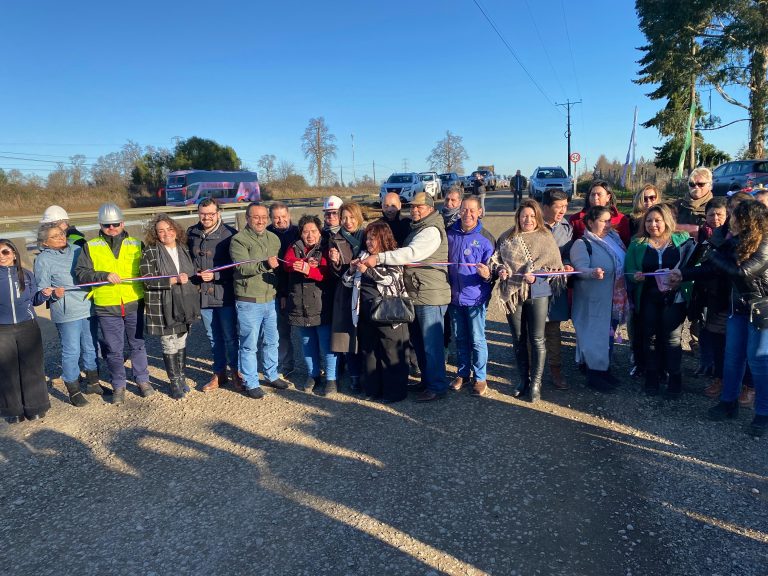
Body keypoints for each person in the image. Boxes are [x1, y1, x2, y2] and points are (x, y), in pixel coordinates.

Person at [671, 200, 768, 437]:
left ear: (748, 219)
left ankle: (763, 413)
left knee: (758, 360)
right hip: (738, 307)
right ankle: (728, 403)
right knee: (732, 357)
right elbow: (713, 268)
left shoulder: (765, 242)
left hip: (762, 309)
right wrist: (683, 273)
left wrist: (713, 255)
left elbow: (743, 272)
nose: (731, 217)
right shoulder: (736, 240)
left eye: (736, 214)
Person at [359, 192, 451, 402]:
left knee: (431, 344)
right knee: (419, 343)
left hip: (431, 295)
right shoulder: (417, 227)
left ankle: (437, 386)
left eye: (420, 207)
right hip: (418, 293)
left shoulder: (431, 231)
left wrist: (379, 257)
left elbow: (411, 254)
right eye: (413, 207)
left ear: (430, 208)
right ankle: (427, 381)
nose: (415, 210)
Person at [490, 199, 567, 402]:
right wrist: (500, 270)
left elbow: (555, 267)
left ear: (538, 217)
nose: (528, 219)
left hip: (538, 292)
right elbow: (496, 260)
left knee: (537, 338)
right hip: (513, 293)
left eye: (532, 216)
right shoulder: (506, 237)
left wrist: (538, 274)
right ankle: (523, 380)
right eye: (524, 216)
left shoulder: (545, 236)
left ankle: (536, 384)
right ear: (518, 217)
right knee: (518, 338)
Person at [75, 203, 151, 405]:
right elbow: (81, 273)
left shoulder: (136, 244)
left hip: (133, 301)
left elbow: (148, 271)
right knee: (114, 349)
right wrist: (103, 275)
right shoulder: (90, 246)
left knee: (138, 344)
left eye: (115, 224)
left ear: (122, 222)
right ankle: (119, 385)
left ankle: (142, 380)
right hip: (107, 305)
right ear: (101, 224)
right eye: (107, 225)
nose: (112, 228)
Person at [625, 204, 694, 398]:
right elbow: (629, 270)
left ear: (666, 221)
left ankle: (674, 377)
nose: (653, 224)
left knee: (672, 339)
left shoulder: (681, 240)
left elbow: (692, 265)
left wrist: (682, 277)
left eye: (657, 220)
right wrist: (635, 276)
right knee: (651, 339)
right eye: (648, 221)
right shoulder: (637, 243)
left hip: (674, 297)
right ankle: (652, 376)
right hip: (649, 297)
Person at [343, 221, 409, 403]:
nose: (370, 243)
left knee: (391, 353)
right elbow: (347, 282)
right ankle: (373, 390)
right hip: (365, 313)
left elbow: (391, 279)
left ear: (383, 239)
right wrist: (351, 270)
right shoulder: (363, 254)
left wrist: (369, 271)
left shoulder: (393, 255)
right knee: (369, 352)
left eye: (374, 239)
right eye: (368, 239)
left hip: (389, 312)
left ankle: (394, 393)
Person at [34, 222, 99, 406]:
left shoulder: (78, 249)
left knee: (90, 345)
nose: (61, 237)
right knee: (72, 350)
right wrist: (53, 293)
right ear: (45, 243)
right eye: (55, 236)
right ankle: (74, 389)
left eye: (62, 233)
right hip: (66, 311)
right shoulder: (43, 260)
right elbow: (42, 289)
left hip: (87, 304)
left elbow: (89, 272)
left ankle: (93, 382)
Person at [140, 214, 201, 399]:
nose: (166, 233)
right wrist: (172, 280)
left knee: (181, 339)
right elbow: (146, 279)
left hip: (184, 301)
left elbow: (192, 273)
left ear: (176, 230)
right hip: (163, 304)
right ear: (156, 234)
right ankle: (174, 382)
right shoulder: (150, 251)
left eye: (169, 229)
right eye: (161, 231)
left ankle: (181, 378)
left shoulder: (184, 249)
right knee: (169, 343)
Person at [570, 206, 629, 392]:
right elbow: (579, 270)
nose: (607, 224)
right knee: (595, 338)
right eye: (603, 221)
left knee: (607, 337)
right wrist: (592, 273)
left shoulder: (614, 239)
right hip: (593, 301)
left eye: (609, 220)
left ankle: (604, 371)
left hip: (613, 300)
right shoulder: (582, 244)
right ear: (590, 222)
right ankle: (594, 375)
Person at [230, 203, 286, 399]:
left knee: (272, 341)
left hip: (270, 299)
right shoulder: (238, 240)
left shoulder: (274, 239)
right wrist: (264, 265)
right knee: (249, 344)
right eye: (256, 217)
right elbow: (242, 268)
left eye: (264, 217)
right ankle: (251, 381)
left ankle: (271, 374)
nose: (261, 221)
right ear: (247, 218)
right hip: (249, 301)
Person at [187, 199, 241, 392]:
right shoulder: (191, 233)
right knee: (212, 336)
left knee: (230, 336)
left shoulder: (230, 235)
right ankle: (219, 372)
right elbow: (188, 260)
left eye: (211, 214)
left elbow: (238, 266)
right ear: (198, 213)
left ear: (218, 213)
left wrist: (216, 274)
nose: (207, 217)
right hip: (203, 295)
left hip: (224, 294)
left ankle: (236, 371)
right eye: (203, 214)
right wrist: (193, 273)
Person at [446, 196, 495, 396]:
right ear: (459, 211)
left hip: (475, 299)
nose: (468, 214)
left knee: (477, 338)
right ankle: (463, 373)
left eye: (472, 210)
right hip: (454, 297)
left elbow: (493, 272)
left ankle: (481, 377)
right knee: (459, 337)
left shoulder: (485, 238)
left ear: (479, 212)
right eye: (464, 210)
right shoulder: (449, 234)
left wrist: (488, 275)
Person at [283, 215, 337, 395]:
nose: (310, 235)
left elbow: (326, 272)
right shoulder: (294, 247)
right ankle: (313, 374)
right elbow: (287, 263)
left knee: (326, 343)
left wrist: (309, 270)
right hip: (299, 305)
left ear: (319, 232)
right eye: (306, 231)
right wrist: (298, 264)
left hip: (321, 304)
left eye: (313, 231)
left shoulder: (326, 247)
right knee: (307, 342)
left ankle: (331, 378)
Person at [0, 239, 50, 423]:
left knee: (32, 368)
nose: (1, 256)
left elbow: (35, 301)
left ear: (14, 254)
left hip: (27, 326)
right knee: (7, 370)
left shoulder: (27, 276)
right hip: (2, 329)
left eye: (5, 252)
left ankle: (36, 406)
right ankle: (12, 409)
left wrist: (44, 294)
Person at [328, 202, 366, 395]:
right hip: (346, 291)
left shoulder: (368, 234)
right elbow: (333, 273)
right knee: (349, 336)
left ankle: (368, 373)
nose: (348, 222)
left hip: (366, 291)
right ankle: (354, 376)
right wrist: (335, 263)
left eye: (352, 217)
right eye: (344, 218)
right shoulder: (335, 239)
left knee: (365, 335)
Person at [541, 190, 573, 390]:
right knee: (533, 331)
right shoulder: (532, 225)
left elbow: (568, 254)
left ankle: (555, 370)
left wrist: (568, 264)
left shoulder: (566, 228)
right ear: (545, 207)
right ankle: (532, 372)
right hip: (534, 286)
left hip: (556, 287)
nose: (563, 210)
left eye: (565, 206)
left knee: (553, 330)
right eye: (558, 206)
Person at [267, 201, 299, 379]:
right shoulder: (267, 234)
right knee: (281, 331)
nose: (280, 220)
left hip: (298, 287)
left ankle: (317, 367)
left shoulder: (298, 233)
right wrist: (282, 294)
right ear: (271, 219)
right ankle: (286, 364)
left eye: (283, 217)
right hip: (277, 288)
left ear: (289, 216)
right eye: (276, 218)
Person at [569, 181, 631, 246]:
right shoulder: (576, 219)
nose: (595, 198)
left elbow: (626, 244)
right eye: (593, 194)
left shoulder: (620, 219)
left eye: (599, 194)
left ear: (608, 197)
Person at [673, 167, 713, 235]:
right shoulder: (676, 205)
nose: (696, 187)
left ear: (709, 185)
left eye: (701, 184)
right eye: (692, 184)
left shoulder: (715, 207)